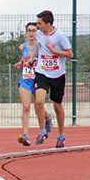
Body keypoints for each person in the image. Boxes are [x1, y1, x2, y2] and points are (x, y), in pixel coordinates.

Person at [32, 10, 73, 148]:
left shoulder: (60, 36)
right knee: (38, 102)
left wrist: (55, 51)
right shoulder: (38, 34)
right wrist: (33, 58)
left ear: (48, 24)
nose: (37, 26)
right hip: (41, 72)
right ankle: (42, 130)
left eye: (39, 23)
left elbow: (70, 54)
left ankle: (61, 135)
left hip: (57, 75)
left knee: (57, 106)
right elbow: (39, 46)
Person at [14, 22, 52, 146]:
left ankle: (46, 119)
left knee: (38, 106)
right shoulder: (22, 47)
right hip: (25, 79)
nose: (31, 33)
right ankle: (25, 135)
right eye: (29, 30)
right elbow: (24, 58)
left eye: (34, 30)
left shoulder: (41, 46)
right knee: (26, 107)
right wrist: (20, 63)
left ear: (38, 32)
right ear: (26, 33)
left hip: (38, 79)